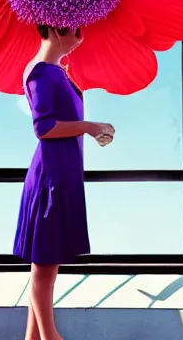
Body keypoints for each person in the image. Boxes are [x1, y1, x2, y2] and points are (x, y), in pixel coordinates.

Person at [13, 25, 115, 340]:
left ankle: (33, 337)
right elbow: (43, 127)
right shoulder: (43, 73)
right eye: (77, 32)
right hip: (51, 181)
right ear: (59, 31)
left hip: (61, 175)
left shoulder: (54, 73)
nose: (81, 39)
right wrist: (89, 126)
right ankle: (50, 337)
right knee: (44, 270)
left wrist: (94, 129)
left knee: (45, 269)